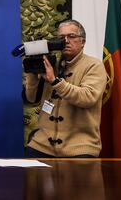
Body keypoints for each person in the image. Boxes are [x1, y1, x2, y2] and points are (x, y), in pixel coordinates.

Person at [24, 19, 107, 157]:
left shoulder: (94, 65)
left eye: (72, 36)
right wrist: (32, 74)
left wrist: (54, 81)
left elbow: (88, 98)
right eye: (62, 38)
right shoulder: (51, 64)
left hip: (79, 146)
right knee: (23, 175)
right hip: (42, 144)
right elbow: (31, 100)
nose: (66, 41)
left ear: (83, 42)